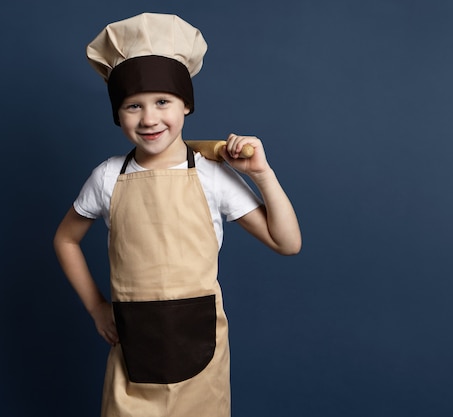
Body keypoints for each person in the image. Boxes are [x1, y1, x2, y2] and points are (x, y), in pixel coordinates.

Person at [53, 12, 301, 417]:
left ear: (186, 104)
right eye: (133, 106)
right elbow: (65, 239)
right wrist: (97, 307)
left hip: (202, 348)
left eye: (162, 102)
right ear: (118, 113)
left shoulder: (211, 175)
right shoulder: (106, 177)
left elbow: (288, 243)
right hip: (133, 348)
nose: (149, 118)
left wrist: (263, 174)